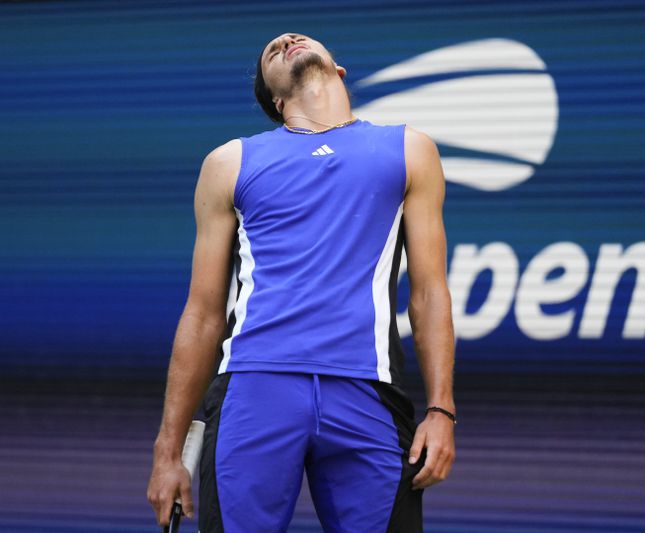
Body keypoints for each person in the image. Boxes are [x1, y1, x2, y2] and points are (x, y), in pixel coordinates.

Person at [147, 32, 456, 532]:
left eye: (296, 38)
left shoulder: (409, 149)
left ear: (340, 70)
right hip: (253, 388)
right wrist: (168, 453)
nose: (285, 40)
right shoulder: (229, 163)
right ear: (275, 99)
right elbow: (203, 313)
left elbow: (429, 293)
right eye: (271, 50)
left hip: (367, 391)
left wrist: (441, 410)